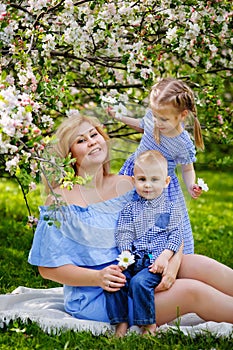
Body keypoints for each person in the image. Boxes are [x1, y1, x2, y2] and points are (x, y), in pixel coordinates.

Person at [28, 114, 233, 335]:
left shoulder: (128, 186)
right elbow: (47, 268)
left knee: (197, 263)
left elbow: (170, 224)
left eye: (94, 134)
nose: (91, 142)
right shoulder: (61, 200)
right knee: (192, 292)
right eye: (80, 140)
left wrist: (173, 264)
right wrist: (97, 277)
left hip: (141, 271)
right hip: (102, 294)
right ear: (70, 155)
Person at [109, 77, 204, 255]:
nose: (158, 122)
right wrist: (118, 116)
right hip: (134, 173)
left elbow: (187, 168)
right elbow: (141, 125)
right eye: (155, 116)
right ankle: (122, 252)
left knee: (158, 222)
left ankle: (155, 256)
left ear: (182, 115)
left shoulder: (182, 143)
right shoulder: (154, 119)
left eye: (164, 119)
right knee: (124, 213)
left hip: (160, 184)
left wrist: (191, 185)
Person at [105, 150, 183, 336]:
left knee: (140, 283)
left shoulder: (171, 209)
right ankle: (120, 323)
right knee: (115, 282)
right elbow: (124, 233)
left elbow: (176, 235)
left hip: (154, 264)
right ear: (134, 181)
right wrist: (124, 257)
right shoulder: (129, 210)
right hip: (133, 261)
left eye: (154, 180)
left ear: (166, 182)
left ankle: (148, 325)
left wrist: (165, 256)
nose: (148, 185)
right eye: (142, 179)